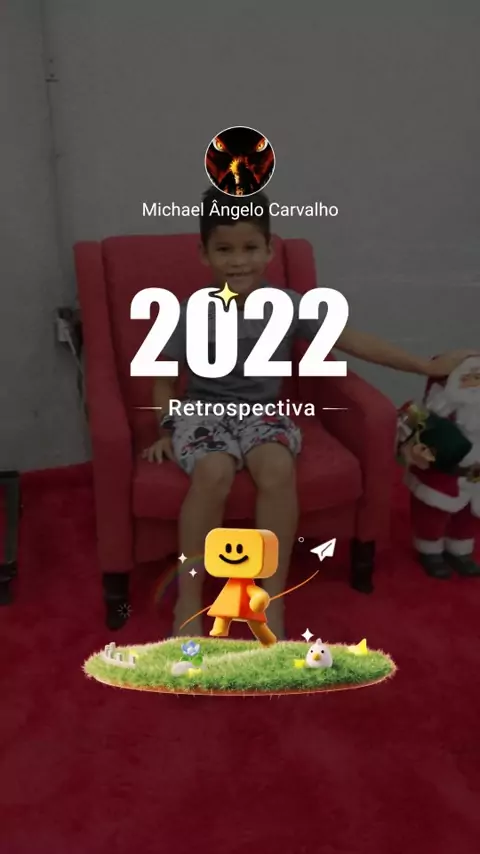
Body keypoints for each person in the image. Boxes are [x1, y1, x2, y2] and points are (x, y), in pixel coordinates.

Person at [144, 187, 477, 637]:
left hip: (262, 412)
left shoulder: (287, 304)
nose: (238, 261)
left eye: (249, 248)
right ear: (204, 254)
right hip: (203, 412)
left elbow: (350, 338)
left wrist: (423, 365)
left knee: (277, 468)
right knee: (213, 472)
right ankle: (188, 601)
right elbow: (163, 379)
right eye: (224, 250)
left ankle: (271, 599)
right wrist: (166, 429)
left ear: (269, 250)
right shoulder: (189, 313)